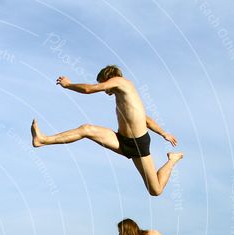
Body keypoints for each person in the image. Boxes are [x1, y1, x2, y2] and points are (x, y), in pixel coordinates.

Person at [31, 65, 183, 196]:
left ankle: (172, 160)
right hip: (121, 140)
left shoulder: (121, 81)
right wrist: (163, 133)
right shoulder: (122, 96)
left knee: (155, 190)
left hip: (138, 144)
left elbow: (88, 89)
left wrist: (68, 85)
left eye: (102, 84)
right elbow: (144, 118)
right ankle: (42, 140)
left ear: (108, 78)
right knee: (86, 129)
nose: (104, 90)